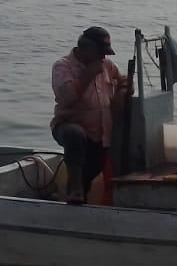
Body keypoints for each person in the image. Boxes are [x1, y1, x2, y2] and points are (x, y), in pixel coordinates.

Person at [50, 26, 131, 205]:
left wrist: (121, 93)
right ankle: (76, 190)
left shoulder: (108, 66)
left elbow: (124, 80)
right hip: (68, 126)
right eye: (100, 53)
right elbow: (66, 97)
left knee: (93, 169)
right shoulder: (63, 66)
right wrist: (87, 75)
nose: (103, 58)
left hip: (100, 135)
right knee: (75, 135)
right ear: (86, 49)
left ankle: (74, 194)